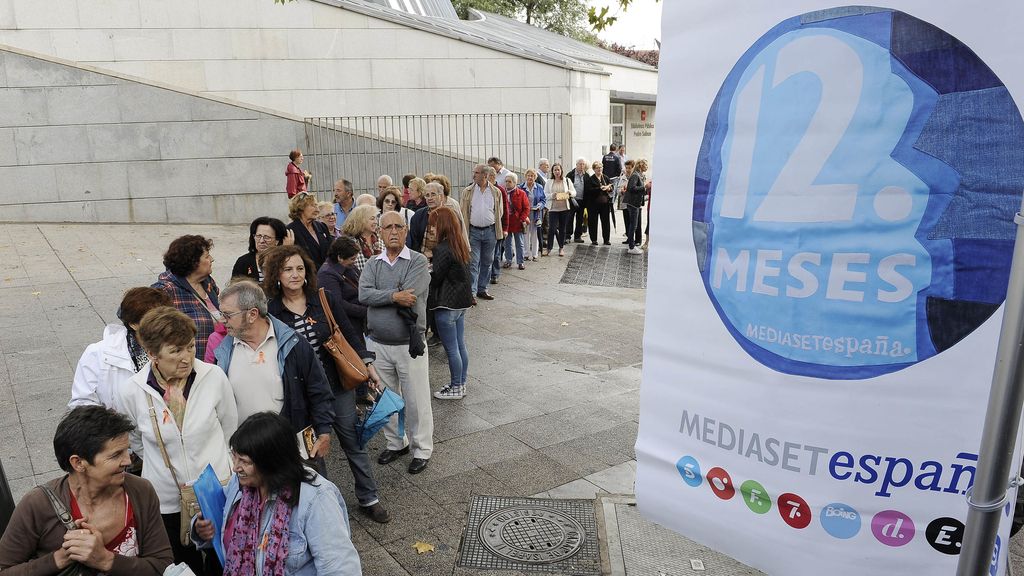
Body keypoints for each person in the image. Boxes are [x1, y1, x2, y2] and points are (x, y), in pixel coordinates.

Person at [260, 246, 390, 522]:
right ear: (277, 275)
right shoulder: (271, 312)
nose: (295, 275)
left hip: (337, 385)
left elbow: (348, 334)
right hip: (300, 394)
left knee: (352, 441)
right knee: (313, 451)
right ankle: (326, 505)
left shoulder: (324, 298)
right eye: (287, 269)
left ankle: (369, 497)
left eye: (299, 268)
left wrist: (367, 364)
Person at [113, 306, 238, 574]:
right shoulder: (132, 391)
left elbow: (230, 427)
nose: (187, 357)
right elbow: (134, 438)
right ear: (152, 354)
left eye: (191, 347)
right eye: (176, 351)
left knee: (223, 559)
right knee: (179, 563)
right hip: (166, 496)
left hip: (216, 488)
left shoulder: (213, 377)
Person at [0, 406, 174, 575]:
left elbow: (162, 565)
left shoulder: (140, 491)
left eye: (127, 451)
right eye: (116, 455)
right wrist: (59, 559)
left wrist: (106, 560)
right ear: (78, 463)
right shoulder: (37, 504)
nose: (128, 461)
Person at [194, 412, 361, 575]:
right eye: (234, 458)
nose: (235, 468)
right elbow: (222, 520)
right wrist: (202, 528)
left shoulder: (317, 499)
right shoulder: (240, 483)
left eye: (244, 461)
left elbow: (341, 568)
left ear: (271, 462)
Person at [360, 211, 433, 475]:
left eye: (398, 227)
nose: (393, 231)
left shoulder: (418, 260)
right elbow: (363, 293)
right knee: (387, 399)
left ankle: (421, 448)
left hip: (408, 344)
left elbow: (410, 296)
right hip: (378, 343)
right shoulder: (372, 264)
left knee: (416, 400)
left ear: (405, 231)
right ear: (379, 231)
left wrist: (381, 296)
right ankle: (396, 443)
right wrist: (393, 295)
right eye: (387, 227)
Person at [70, 287, 172, 409]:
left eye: (166, 318)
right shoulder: (98, 354)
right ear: (133, 324)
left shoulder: (181, 349)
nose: (163, 325)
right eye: (154, 320)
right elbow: (81, 403)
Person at [152, 234, 222, 361]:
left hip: (215, 361)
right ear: (193, 263)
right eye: (206, 256)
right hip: (188, 365)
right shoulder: (166, 290)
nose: (212, 259)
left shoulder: (208, 282)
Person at [428, 208, 473, 400]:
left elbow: (436, 277)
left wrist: (428, 270)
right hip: (460, 303)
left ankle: (456, 387)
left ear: (441, 226)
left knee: (452, 349)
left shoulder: (441, 248)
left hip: (446, 304)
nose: (430, 229)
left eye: (433, 225)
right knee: (460, 346)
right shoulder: (459, 243)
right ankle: (460, 384)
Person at [461, 164, 504, 301]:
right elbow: (463, 212)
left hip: (490, 231)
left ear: (485, 175)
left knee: (487, 261)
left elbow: (500, 211)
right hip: (473, 231)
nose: (473, 175)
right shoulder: (467, 191)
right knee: (473, 262)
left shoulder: (495, 191)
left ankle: (482, 289)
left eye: (476, 173)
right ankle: (472, 293)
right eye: (473, 172)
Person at [318, 236, 367, 330]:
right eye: (352, 259)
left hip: (358, 320)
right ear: (340, 257)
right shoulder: (327, 275)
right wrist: (366, 311)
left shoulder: (347, 266)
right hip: (347, 325)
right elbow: (338, 304)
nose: (354, 262)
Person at [231, 217, 293, 283]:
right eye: (258, 236)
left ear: (277, 241)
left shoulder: (285, 260)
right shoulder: (243, 262)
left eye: (267, 237)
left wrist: (287, 251)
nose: (261, 241)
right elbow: (234, 288)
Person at [286, 192, 333, 270]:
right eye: (313, 205)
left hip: (327, 275)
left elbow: (331, 251)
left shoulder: (321, 226)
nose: (317, 209)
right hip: (307, 276)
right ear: (300, 208)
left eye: (316, 205)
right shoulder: (291, 231)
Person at [339, 203, 383, 273]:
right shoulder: (350, 243)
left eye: (376, 218)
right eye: (372, 219)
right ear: (361, 221)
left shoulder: (381, 240)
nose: (376, 222)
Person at [486, 166, 510, 287]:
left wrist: (505, 228)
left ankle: (494, 274)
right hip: (486, 227)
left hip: (497, 227)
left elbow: (505, 211)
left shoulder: (500, 190)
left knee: (495, 253)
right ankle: (487, 274)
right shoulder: (481, 189)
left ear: (492, 177)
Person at [543, 163, 573, 257]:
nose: (557, 172)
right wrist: (552, 195)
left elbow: (574, 192)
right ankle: (549, 248)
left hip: (564, 208)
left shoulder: (567, 180)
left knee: (562, 229)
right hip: (553, 209)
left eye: (558, 170)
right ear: (552, 171)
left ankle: (561, 248)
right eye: (555, 170)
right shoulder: (549, 181)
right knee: (551, 228)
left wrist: (570, 193)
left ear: (561, 171)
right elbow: (545, 195)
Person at [502, 172, 530, 270]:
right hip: (506, 222)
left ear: (515, 182)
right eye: (506, 181)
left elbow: (526, 208)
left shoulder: (521, 193)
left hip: (517, 221)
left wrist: (522, 219)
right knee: (507, 243)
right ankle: (508, 260)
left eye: (509, 181)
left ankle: (520, 262)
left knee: (520, 243)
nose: (507, 183)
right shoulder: (502, 192)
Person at [586, 161, 614, 246]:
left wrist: (608, 188)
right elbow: (589, 191)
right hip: (593, 205)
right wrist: (600, 188)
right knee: (593, 222)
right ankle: (594, 239)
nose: (599, 169)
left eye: (601, 167)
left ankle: (606, 240)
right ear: (594, 169)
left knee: (606, 222)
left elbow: (611, 187)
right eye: (597, 168)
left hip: (605, 204)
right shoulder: (590, 179)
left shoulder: (605, 177)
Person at [521, 169, 545, 262]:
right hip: (525, 214)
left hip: (536, 214)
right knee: (525, 234)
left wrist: (540, 205)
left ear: (535, 178)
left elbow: (543, 200)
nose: (530, 177)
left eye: (532, 176)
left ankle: (535, 255)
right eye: (528, 175)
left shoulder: (539, 187)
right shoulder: (521, 187)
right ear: (525, 176)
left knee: (535, 234)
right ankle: (526, 254)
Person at [623, 159, 646, 255]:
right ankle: (631, 246)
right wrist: (644, 187)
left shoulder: (637, 175)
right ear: (641, 166)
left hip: (634, 203)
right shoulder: (635, 175)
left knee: (633, 225)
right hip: (632, 204)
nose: (646, 167)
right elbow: (631, 188)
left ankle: (632, 245)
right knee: (633, 225)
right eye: (645, 165)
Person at [565, 157, 589, 243]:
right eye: (580, 164)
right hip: (572, 201)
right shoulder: (570, 175)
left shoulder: (586, 175)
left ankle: (577, 236)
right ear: (576, 165)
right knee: (570, 218)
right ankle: (567, 236)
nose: (582, 166)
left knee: (580, 219)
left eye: (583, 164)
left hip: (582, 201)